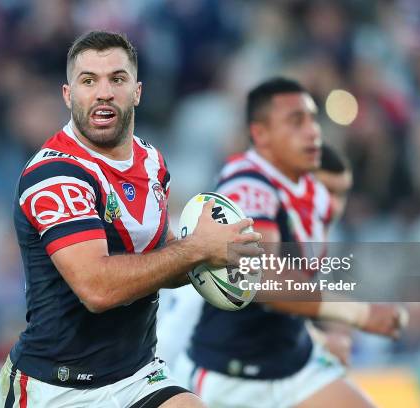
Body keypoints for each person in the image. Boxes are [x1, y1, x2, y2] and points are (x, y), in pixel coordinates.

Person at [0, 30, 262, 408]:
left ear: (136, 91)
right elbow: (98, 289)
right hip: (58, 388)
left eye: (117, 79)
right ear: (69, 95)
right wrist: (197, 249)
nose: (104, 92)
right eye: (89, 81)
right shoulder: (55, 176)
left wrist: (222, 255)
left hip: (137, 376)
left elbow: (164, 258)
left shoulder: (152, 162)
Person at [174, 77, 407, 408]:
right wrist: (358, 313)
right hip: (231, 376)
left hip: (293, 364)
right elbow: (264, 279)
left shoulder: (306, 190)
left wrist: (316, 338)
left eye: (313, 119)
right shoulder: (246, 184)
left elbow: (291, 291)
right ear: (261, 135)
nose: (312, 131)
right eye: (296, 121)